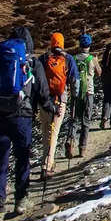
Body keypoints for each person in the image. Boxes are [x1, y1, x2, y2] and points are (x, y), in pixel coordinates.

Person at [0, 27, 54, 221]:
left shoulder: (0, 60)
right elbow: (43, 92)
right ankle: (20, 200)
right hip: (22, 116)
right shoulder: (32, 63)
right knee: (22, 158)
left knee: (0, 163)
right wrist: (50, 108)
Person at [38, 32, 79, 178]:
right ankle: (47, 165)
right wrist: (74, 95)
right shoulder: (68, 59)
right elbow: (74, 80)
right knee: (53, 133)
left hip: (43, 101)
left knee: (45, 131)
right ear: (62, 43)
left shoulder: (43, 59)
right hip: (60, 100)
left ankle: (47, 161)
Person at [66, 34, 101, 159]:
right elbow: (99, 73)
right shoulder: (92, 59)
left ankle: (70, 141)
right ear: (89, 45)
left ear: (79, 45)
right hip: (88, 92)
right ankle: (82, 148)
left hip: (76, 94)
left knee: (74, 119)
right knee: (86, 120)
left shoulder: (73, 59)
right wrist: (96, 60)